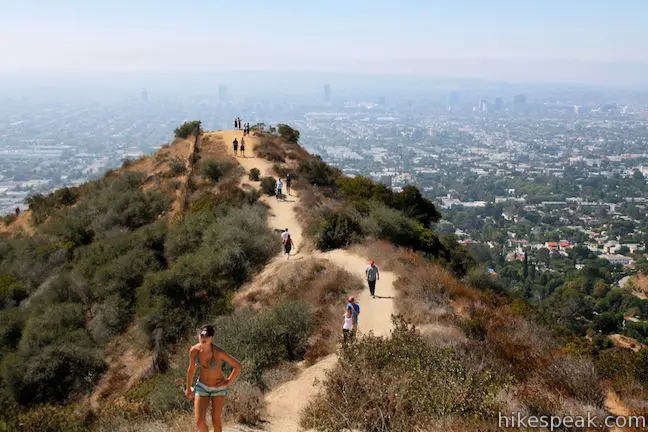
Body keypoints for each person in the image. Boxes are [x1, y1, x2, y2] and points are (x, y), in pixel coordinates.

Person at [185, 325, 241, 432]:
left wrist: (227, 381)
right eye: (202, 335)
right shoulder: (194, 350)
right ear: (199, 336)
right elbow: (191, 369)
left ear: (212, 338)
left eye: (207, 335)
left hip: (218, 389)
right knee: (199, 422)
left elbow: (237, 366)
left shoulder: (218, 352)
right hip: (202, 386)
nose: (204, 338)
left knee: (216, 421)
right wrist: (188, 388)